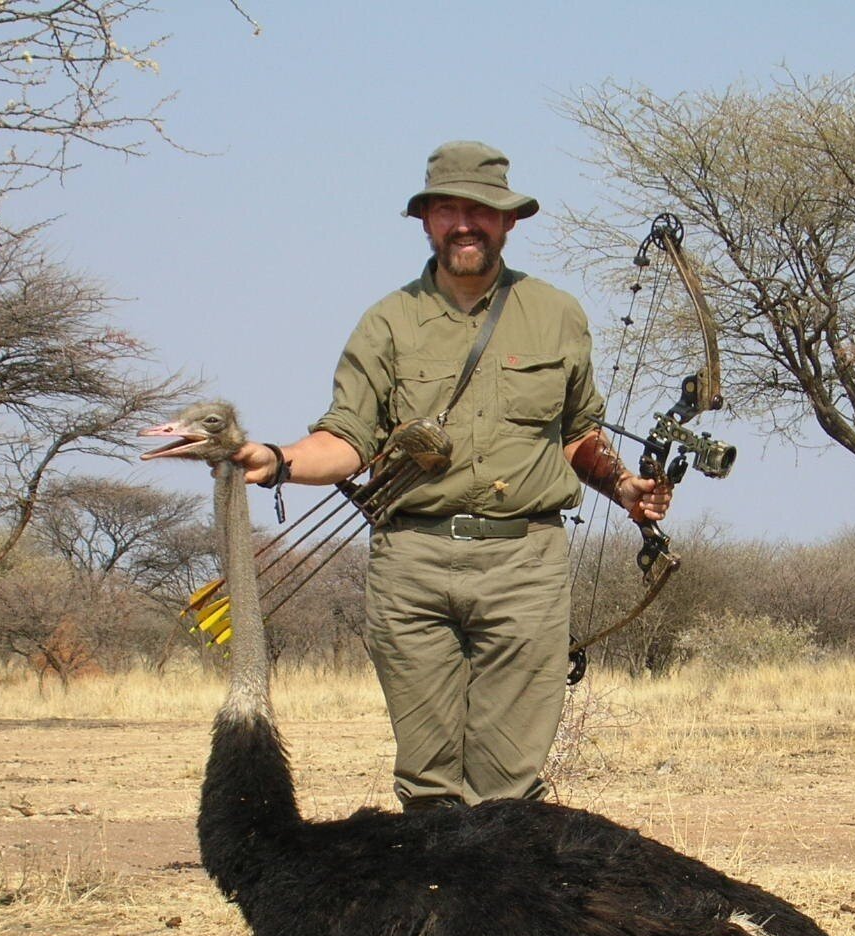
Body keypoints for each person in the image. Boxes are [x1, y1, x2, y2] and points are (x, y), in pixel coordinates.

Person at [231, 140, 669, 811]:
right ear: (426, 221)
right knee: (429, 784)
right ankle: (434, 907)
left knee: (508, 789)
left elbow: (578, 433)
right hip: (414, 564)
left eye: (481, 210)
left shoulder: (558, 314)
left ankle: (500, 910)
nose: (464, 223)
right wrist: (279, 461)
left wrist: (624, 487)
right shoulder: (387, 322)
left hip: (526, 562)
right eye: (448, 210)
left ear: (508, 221)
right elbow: (346, 438)